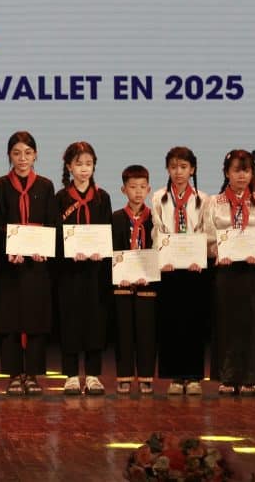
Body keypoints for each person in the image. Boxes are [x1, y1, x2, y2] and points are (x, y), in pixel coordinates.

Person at [0, 131, 58, 396]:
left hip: (37, 265)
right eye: (17, 153)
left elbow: (52, 222)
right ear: (9, 155)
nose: (22, 158)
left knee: (36, 319)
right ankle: (13, 375)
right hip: (10, 264)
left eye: (28, 153)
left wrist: (44, 248)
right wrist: (10, 247)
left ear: (36, 155)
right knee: (10, 320)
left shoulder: (45, 185)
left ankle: (32, 374)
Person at [207, 149, 255, 395]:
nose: (241, 176)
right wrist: (218, 250)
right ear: (226, 173)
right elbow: (207, 234)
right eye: (236, 170)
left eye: (246, 170)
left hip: (251, 271)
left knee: (251, 323)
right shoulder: (215, 203)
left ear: (252, 174)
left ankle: (250, 377)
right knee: (226, 321)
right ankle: (227, 377)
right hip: (225, 270)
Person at [151, 146, 210, 396]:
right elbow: (157, 231)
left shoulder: (203, 199)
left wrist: (200, 257)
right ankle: (175, 376)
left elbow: (207, 231)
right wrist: (162, 257)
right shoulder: (159, 197)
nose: (178, 172)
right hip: (169, 268)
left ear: (192, 169)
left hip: (194, 269)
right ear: (167, 169)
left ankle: (194, 376)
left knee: (194, 322)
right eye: (174, 167)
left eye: (184, 167)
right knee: (171, 322)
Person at [55, 141, 113, 396]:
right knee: (70, 321)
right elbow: (56, 233)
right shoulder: (60, 197)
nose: (84, 169)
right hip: (69, 271)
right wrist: (69, 250)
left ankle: (92, 374)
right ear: (69, 166)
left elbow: (107, 231)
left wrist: (102, 250)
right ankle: (70, 375)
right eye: (79, 164)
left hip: (95, 271)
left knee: (95, 321)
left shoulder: (102, 197)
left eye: (89, 164)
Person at [110, 165, 156, 395]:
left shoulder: (155, 218)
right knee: (124, 332)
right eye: (132, 187)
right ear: (123, 189)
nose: (138, 192)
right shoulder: (116, 218)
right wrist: (120, 274)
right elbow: (112, 250)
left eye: (142, 187)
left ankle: (146, 377)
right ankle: (124, 376)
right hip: (123, 285)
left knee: (146, 332)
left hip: (148, 283)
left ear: (149, 189)